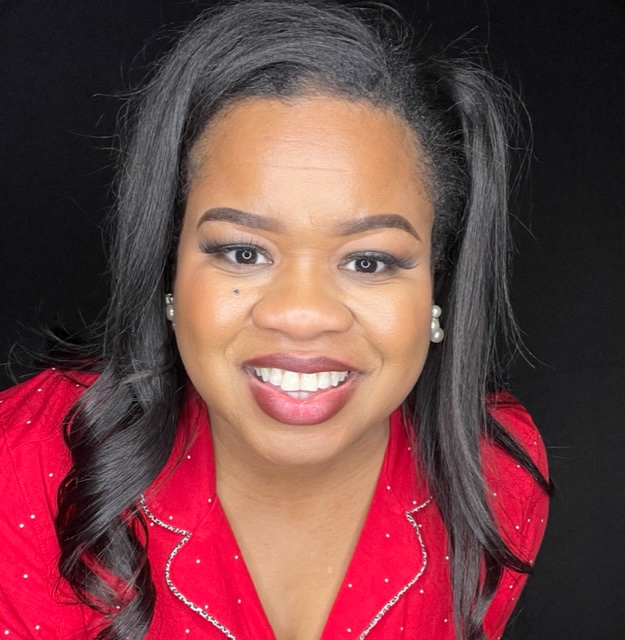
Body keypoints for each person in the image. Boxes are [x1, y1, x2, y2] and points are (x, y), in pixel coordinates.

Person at [0, 1, 551, 638]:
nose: (302, 315)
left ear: (437, 286)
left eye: (368, 261)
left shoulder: (497, 472)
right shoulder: (23, 469)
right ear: (168, 267)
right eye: (243, 253)